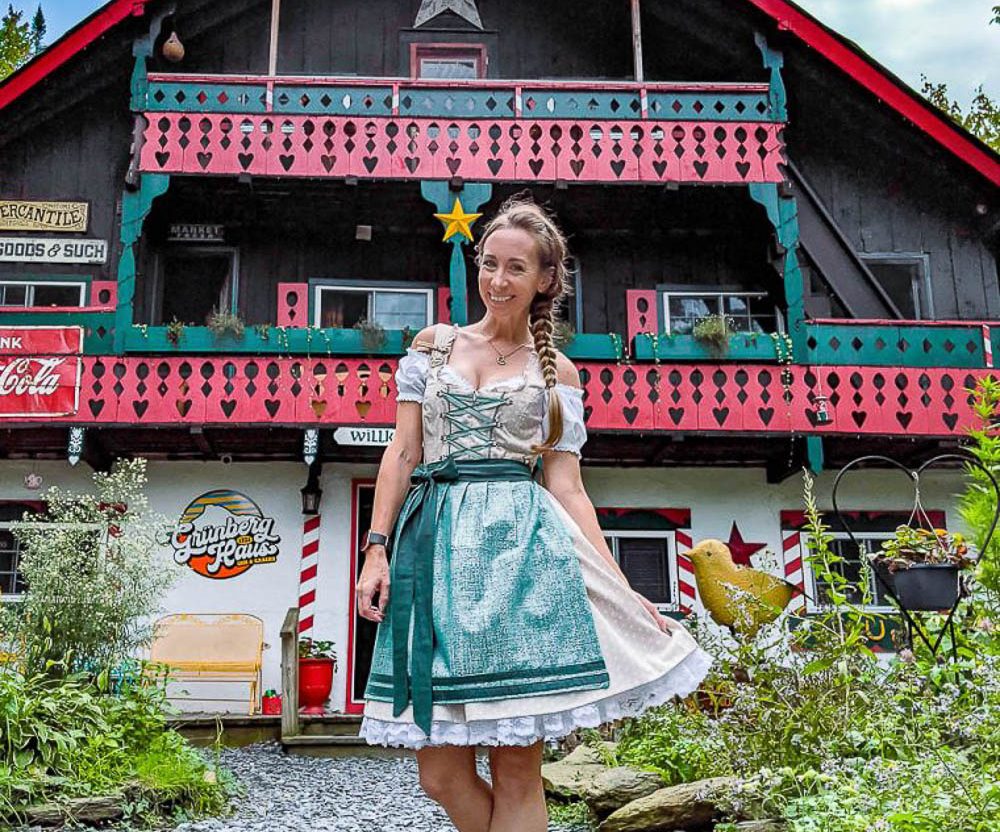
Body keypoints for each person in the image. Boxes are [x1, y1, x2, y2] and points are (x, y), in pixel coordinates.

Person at [355, 193, 715, 832]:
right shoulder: (433, 347)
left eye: (515, 268)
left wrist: (627, 592)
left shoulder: (559, 376)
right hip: (433, 553)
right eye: (489, 263)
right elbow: (403, 451)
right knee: (439, 772)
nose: (497, 280)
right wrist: (376, 547)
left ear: (545, 279)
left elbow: (568, 488)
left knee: (517, 771)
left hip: (524, 561)